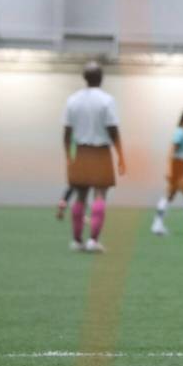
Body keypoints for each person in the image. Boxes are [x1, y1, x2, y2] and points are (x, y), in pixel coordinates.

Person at [62, 62, 126, 252]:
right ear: (101, 78)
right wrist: (121, 156)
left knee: (80, 196)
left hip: (80, 151)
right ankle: (93, 241)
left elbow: (66, 133)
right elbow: (113, 130)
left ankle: (76, 240)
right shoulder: (107, 100)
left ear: (84, 78)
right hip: (100, 152)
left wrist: (68, 156)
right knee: (100, 195)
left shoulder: (72, 100)